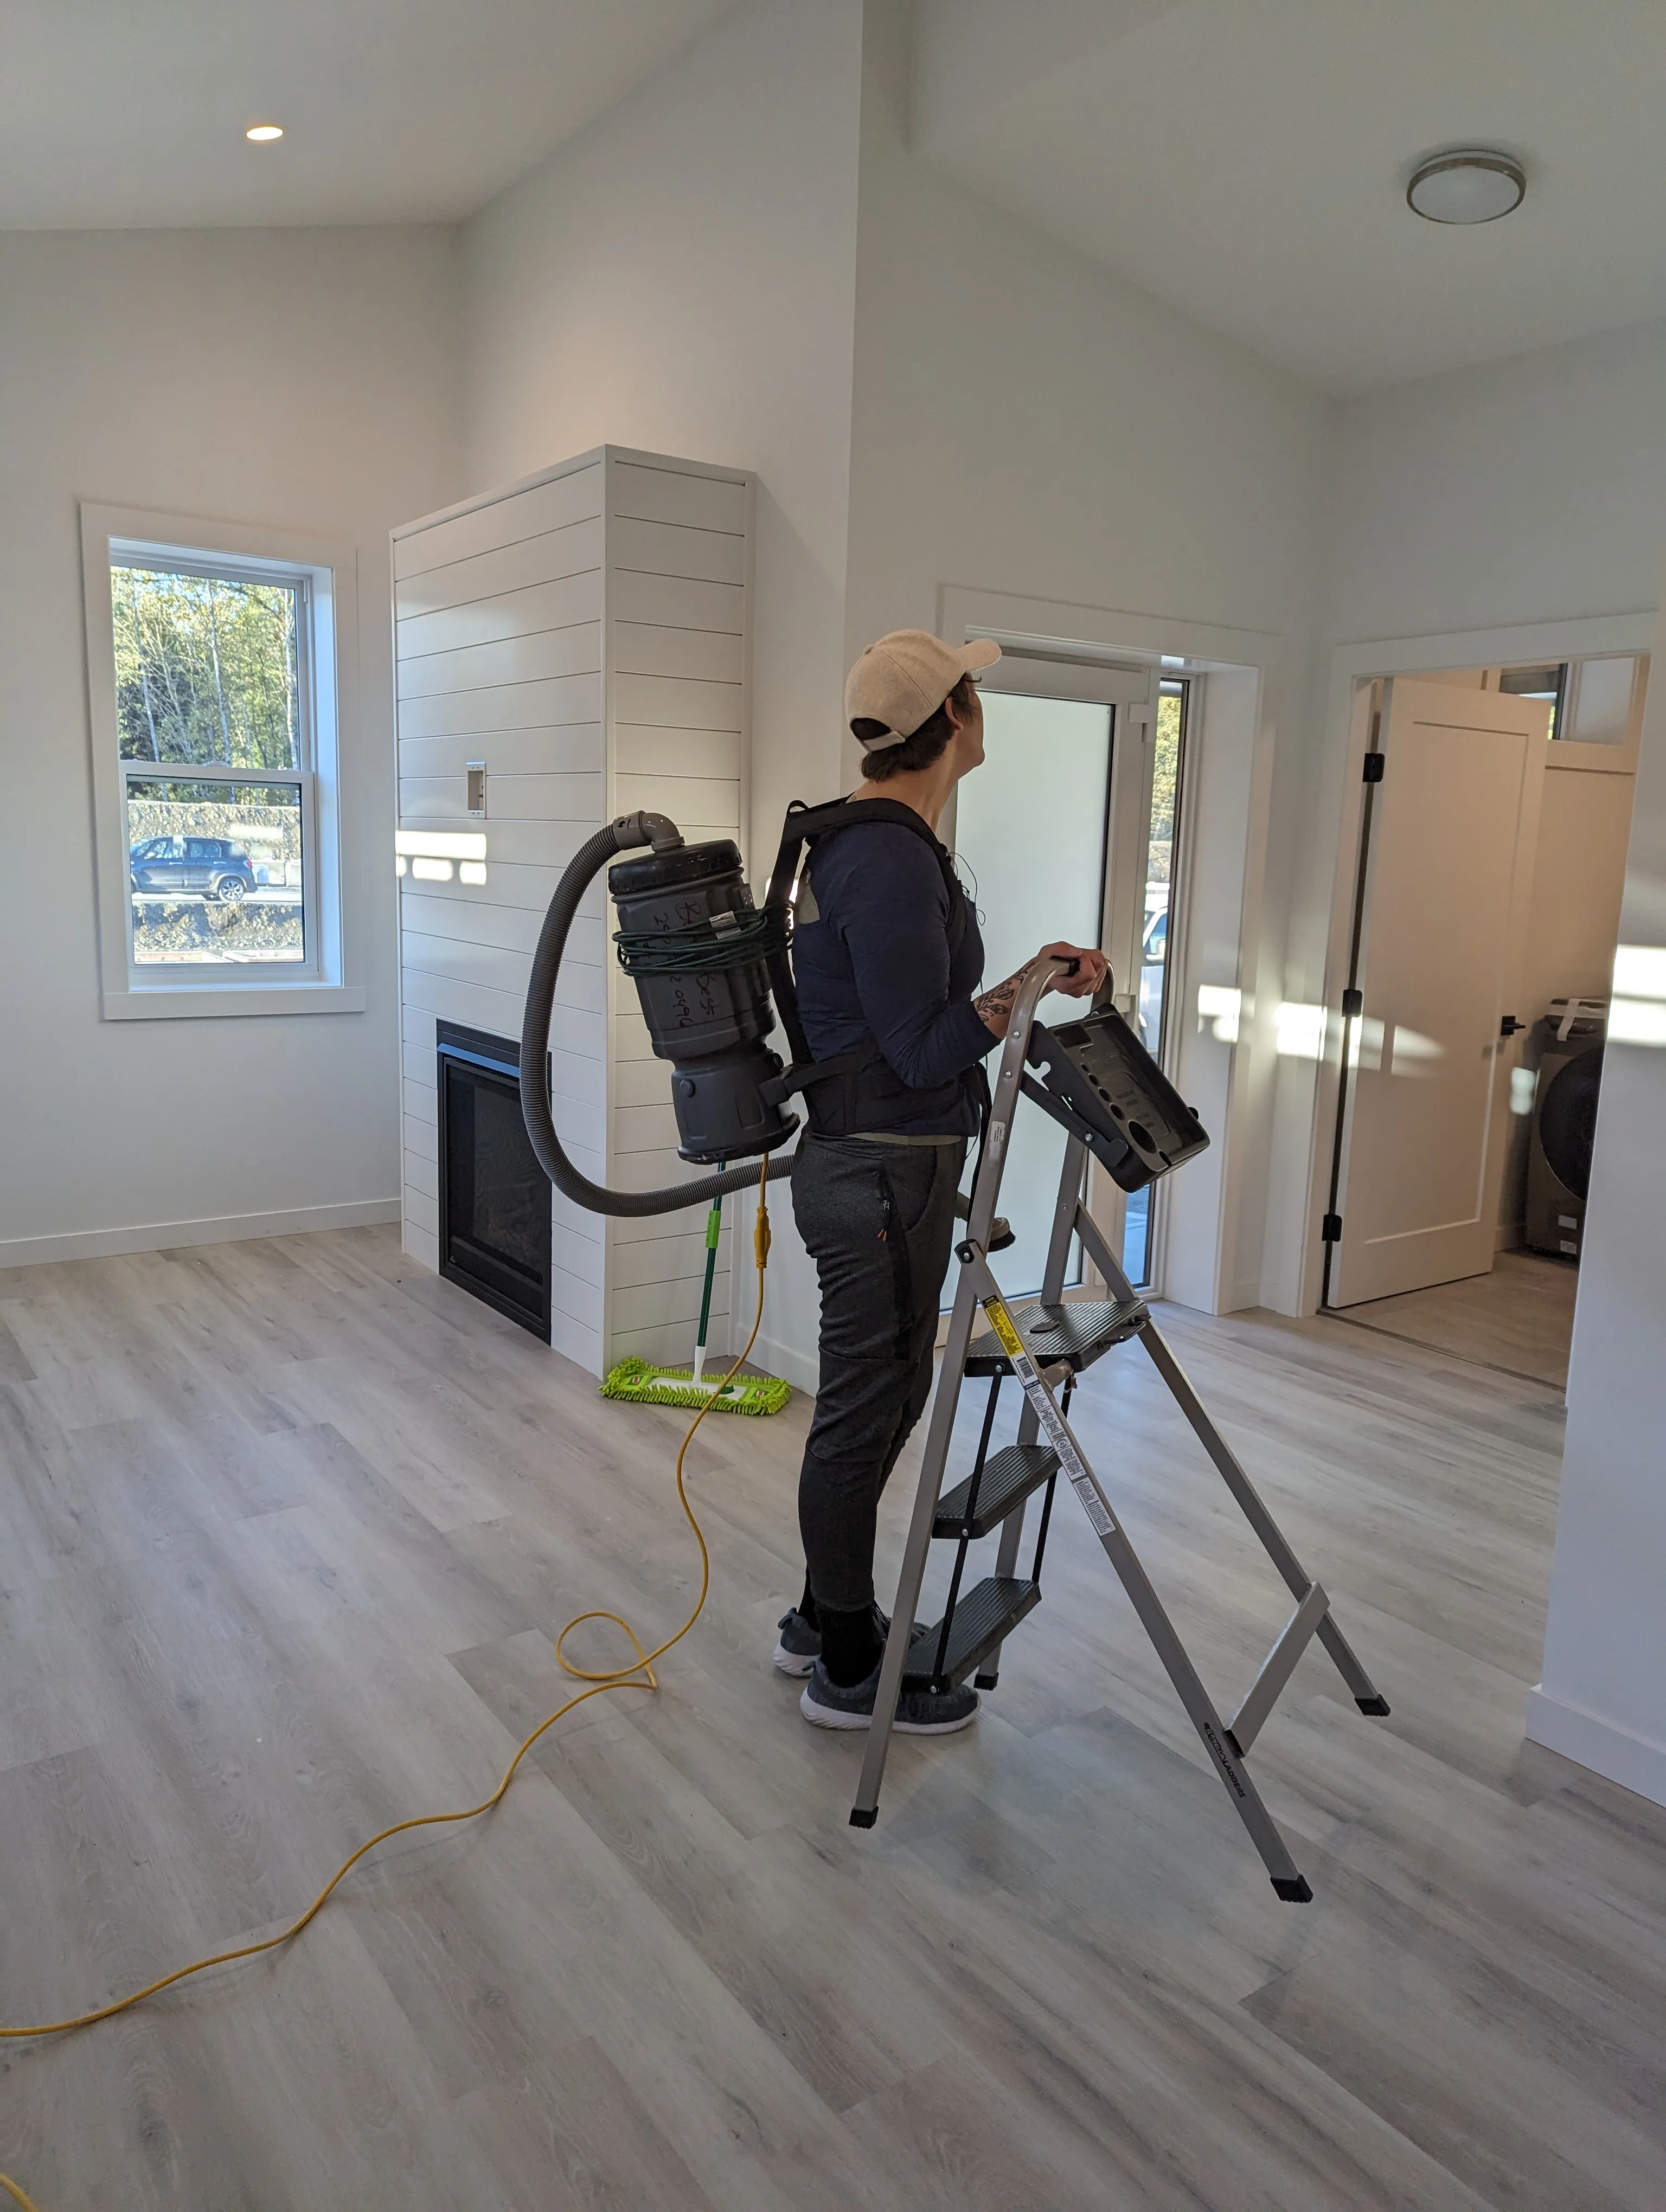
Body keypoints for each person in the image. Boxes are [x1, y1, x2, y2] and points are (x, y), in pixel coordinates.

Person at [773, 629, 1107, 1733]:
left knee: (884, 1399)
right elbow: (923, 1051)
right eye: (976, 689)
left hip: (878, 1172)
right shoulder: (885, 857)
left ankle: (825, 1617)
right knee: (868, 1407)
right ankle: (848, 1662)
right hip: (879, 1180)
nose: (982, 705)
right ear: (954, 718)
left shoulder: (879, 844)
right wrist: (1023, 989)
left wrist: (1032, 977)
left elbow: (911, 1031)